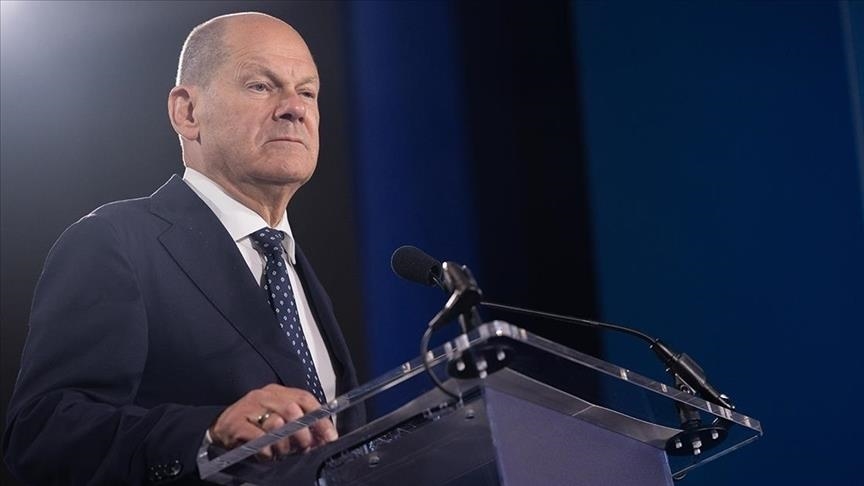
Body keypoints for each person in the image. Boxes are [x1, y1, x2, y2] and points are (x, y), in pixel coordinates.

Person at [3, 12, 364, 484]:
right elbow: (42, 434)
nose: (294, 108)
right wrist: (208, 435)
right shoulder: (115, 243)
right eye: (261, 86)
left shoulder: (295, 271)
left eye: (308, 92)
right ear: (187, 113)